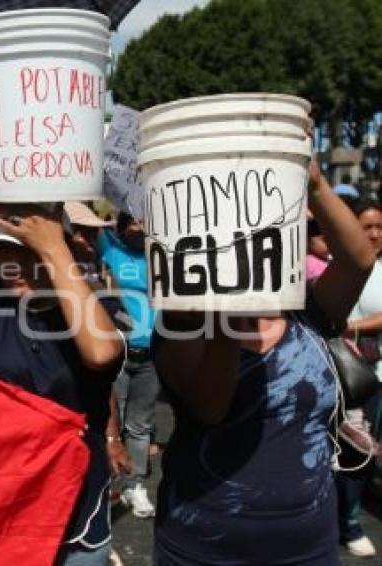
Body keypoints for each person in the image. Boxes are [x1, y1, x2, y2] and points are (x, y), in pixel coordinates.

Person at [152, 160, 376, 565]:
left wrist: (316, 183)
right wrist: (229, 309)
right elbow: (210, 407)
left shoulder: (308, 308)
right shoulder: (182, 322)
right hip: (206, 545)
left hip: (308, 544)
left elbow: (358, 261)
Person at [0, 168, 125, 565]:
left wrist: (53, 249)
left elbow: (101, 354)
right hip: (1, 505)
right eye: (5, 254)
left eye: (29, 252)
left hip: (75, 512)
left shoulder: (88, 301)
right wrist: (4, 151)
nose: (16, 266)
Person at [97, 211, 160, 519]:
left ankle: (134, 486)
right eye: (133, 222)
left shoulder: (159, 252)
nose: (140, 227)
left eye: (145, 222)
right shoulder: (109, 248)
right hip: (120, 350)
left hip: (155, 351)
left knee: (140, 425)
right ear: (119, 228)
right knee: (114, 421)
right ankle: (110, 485)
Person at [334, 198, 382, 558]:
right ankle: (348, 524)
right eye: (367, 227)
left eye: (380, 227)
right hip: (353, 377)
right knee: (357, 454)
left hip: (377, 373)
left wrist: (353, 324)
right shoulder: (341, 269)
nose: (375, 234)